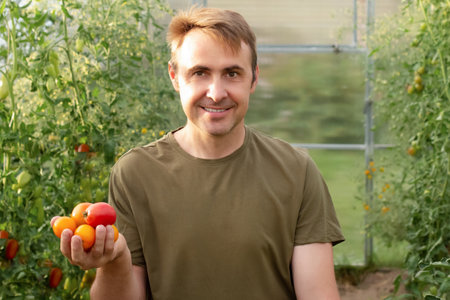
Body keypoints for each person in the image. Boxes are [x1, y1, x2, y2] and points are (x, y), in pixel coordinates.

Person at [52, 6, 345, 300]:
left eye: (232, 73)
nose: (216, 92)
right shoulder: (135, 174)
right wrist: (114, 261)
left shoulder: (296, 172)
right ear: (175, 77)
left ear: (254, 79)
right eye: (200, 73)